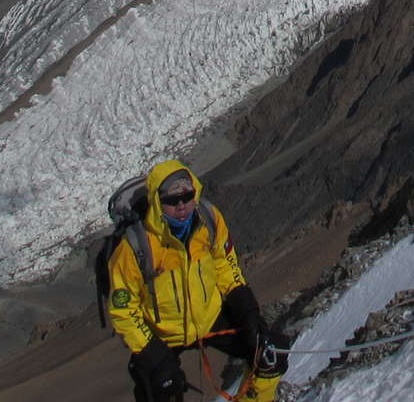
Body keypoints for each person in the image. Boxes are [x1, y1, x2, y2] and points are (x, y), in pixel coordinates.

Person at [106, 159, 289, 401]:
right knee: (161, 387)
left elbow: (226, 265)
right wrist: (152, 355)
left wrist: (249, 313)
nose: (181, 205)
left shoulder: (209, 220)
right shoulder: (135, 247)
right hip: (161, 334)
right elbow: (124, 311)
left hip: (209, 316)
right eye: (171, 200)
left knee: (269, 354)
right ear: (157, 203)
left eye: (187, 195)